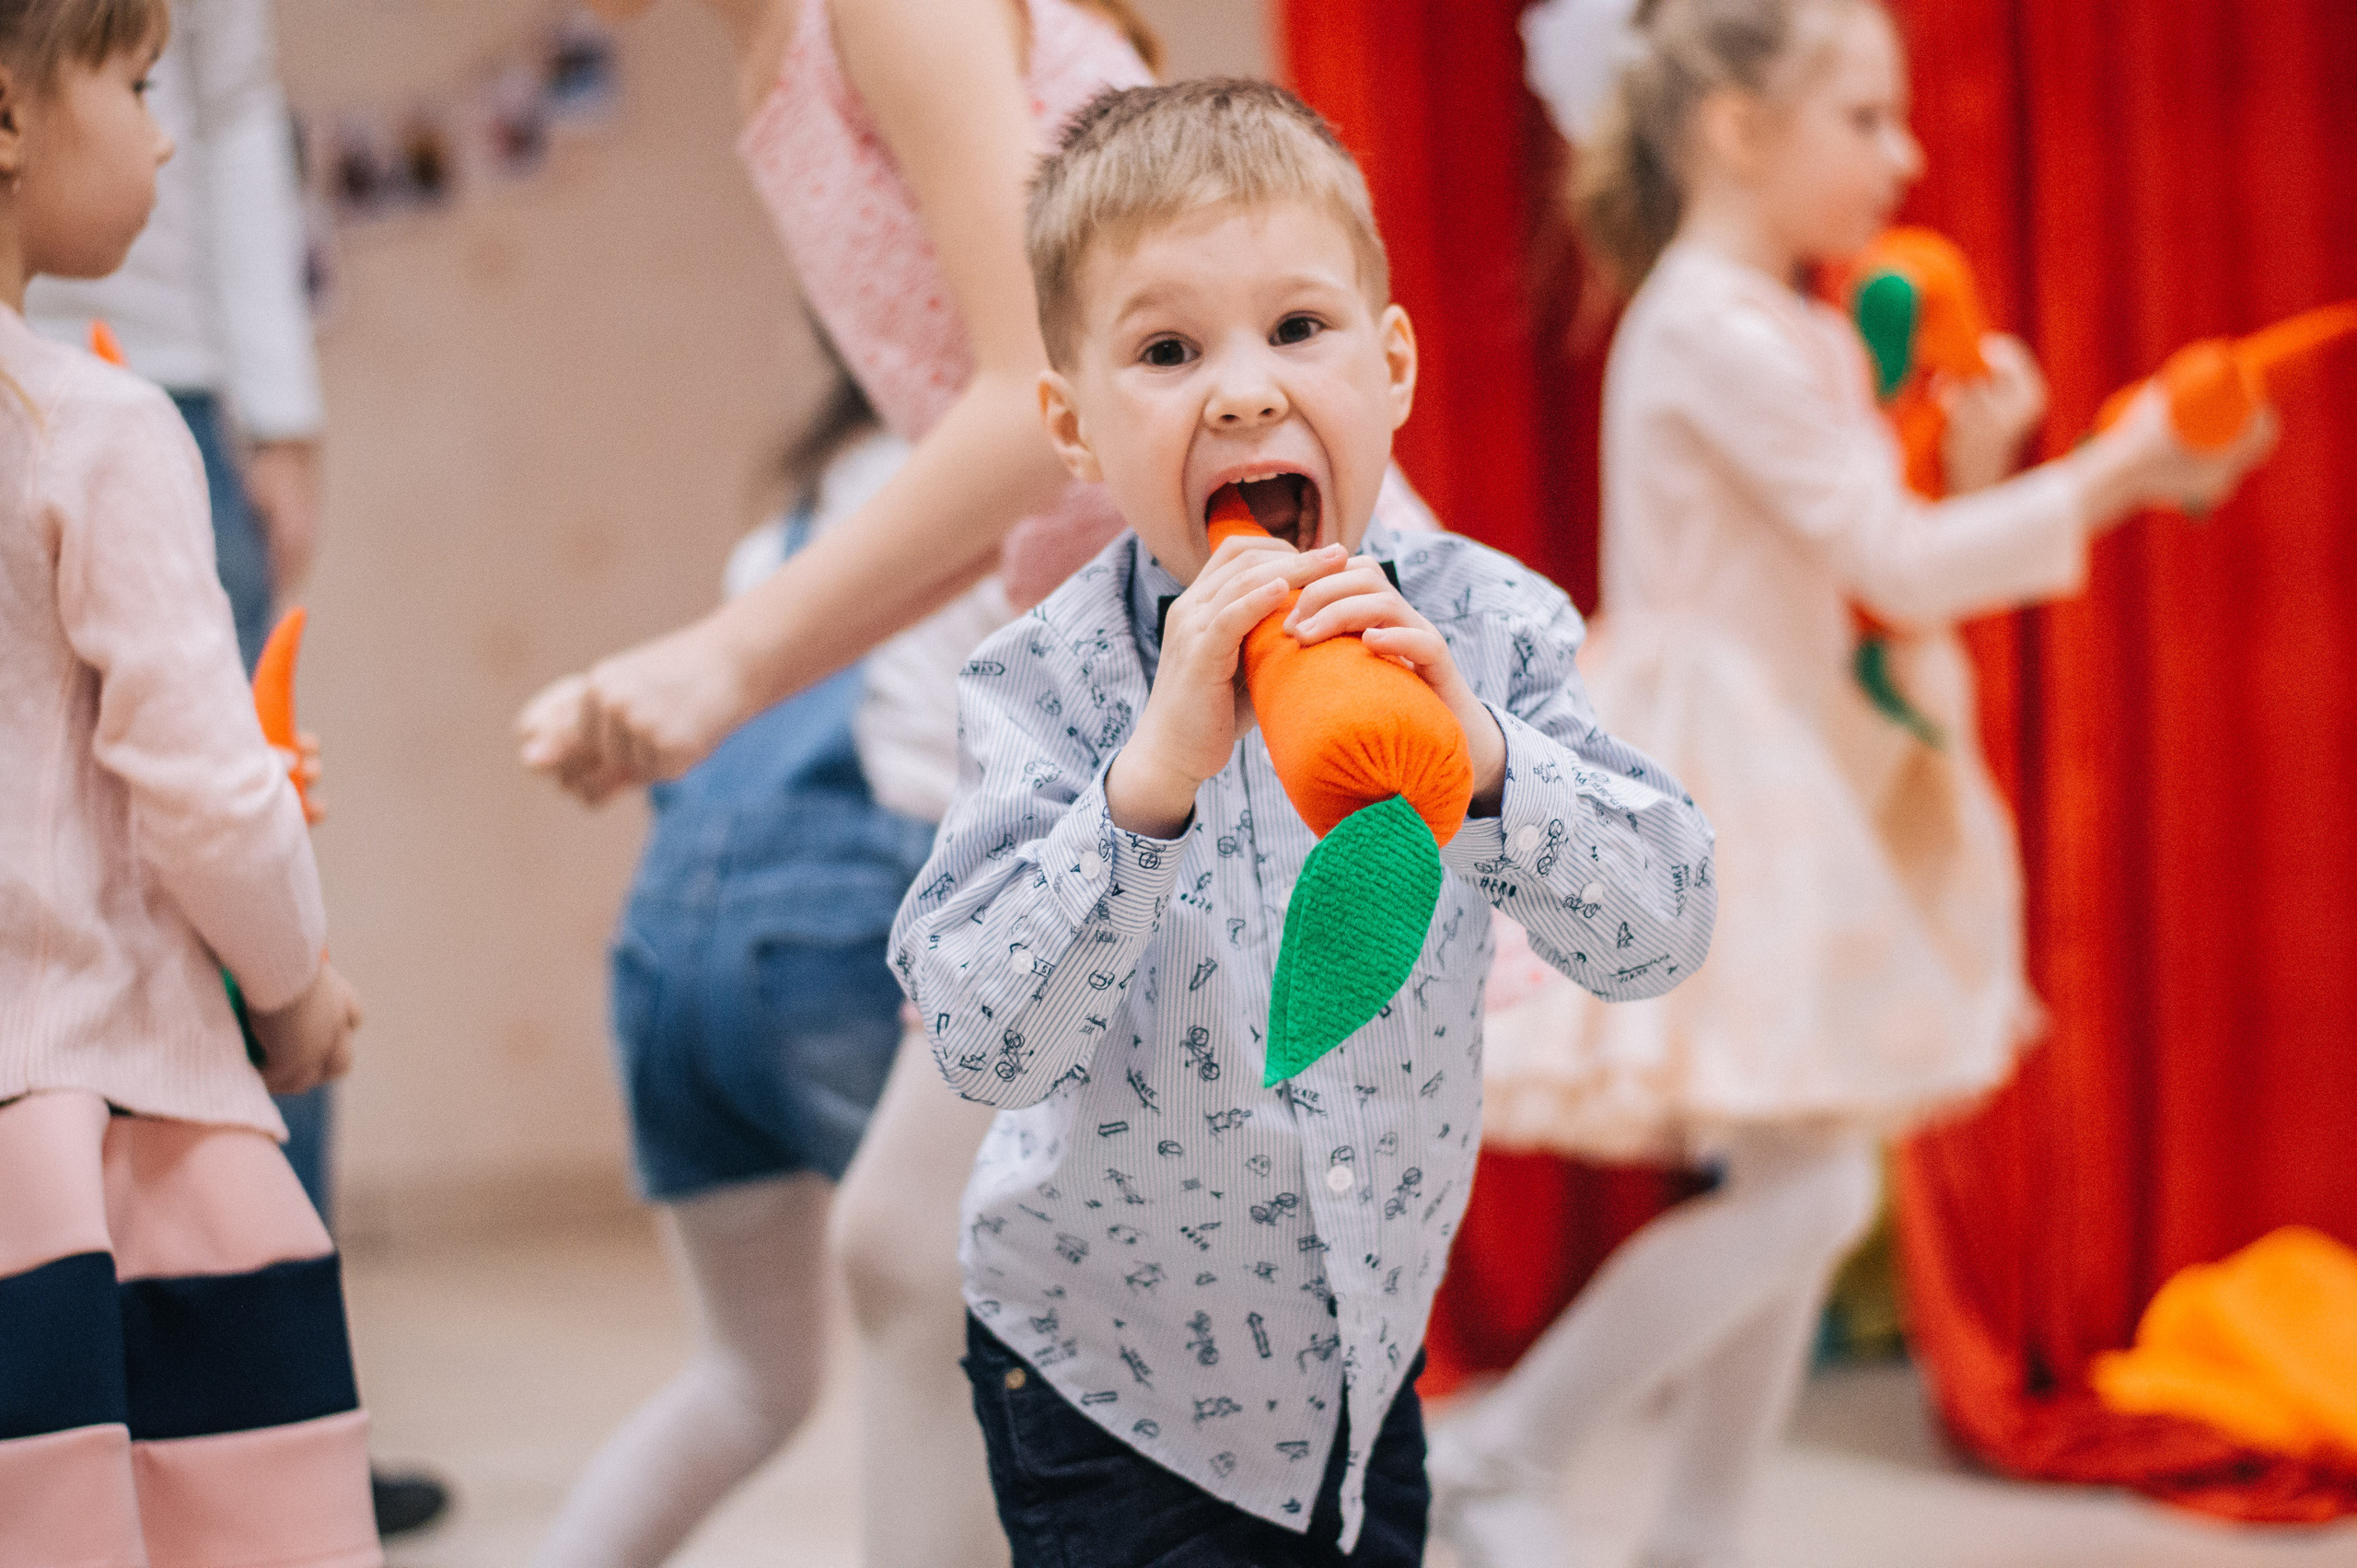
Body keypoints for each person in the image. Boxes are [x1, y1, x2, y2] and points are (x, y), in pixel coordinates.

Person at [1427, 5, 2279, 1567]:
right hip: (1721, 773)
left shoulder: (1795, 324)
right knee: (1814, 1192)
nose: (1910, 153)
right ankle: (1508, 1450)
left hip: (1796, 755)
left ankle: (1689, 1532)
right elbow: (1885, 560)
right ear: (1740, 128)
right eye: (1867, 119)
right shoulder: (1712, 325)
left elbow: (1899, 576)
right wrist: (2120, 467)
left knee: (1803, 1173)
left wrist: (1990, 463)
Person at [895, 79, 1719, 1566]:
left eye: (1297, 329)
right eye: (1166, 349)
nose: (1245, 392)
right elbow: (981, 1040)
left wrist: (1486, 757)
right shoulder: (1047, 686)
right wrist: (1143, 783)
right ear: (1075, 429)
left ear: (1391, 366)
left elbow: (1660, 932)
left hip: (1366, 1353)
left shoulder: (1493, 626)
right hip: (1107, 1381)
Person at [517, 2, 1161, 1561]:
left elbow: (1044, 398)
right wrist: (722, 672)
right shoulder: (771, 67)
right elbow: (997, 467)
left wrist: (729, 661)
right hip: (1104, 668)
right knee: (921, 1252)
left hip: (1206, 647)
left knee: (944, 1252)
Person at [23, 1, 452, 1532]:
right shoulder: (101, 431)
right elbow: (208, 798)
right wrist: (293, 990)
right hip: (89, 1130)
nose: (166, 130)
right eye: (132, 87)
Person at [527, 369, 936, 1568]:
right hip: (844, 932)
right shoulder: (975, 497)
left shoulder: (781, 536)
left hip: (663, 954)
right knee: (970, 1343)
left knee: (749, 1380)